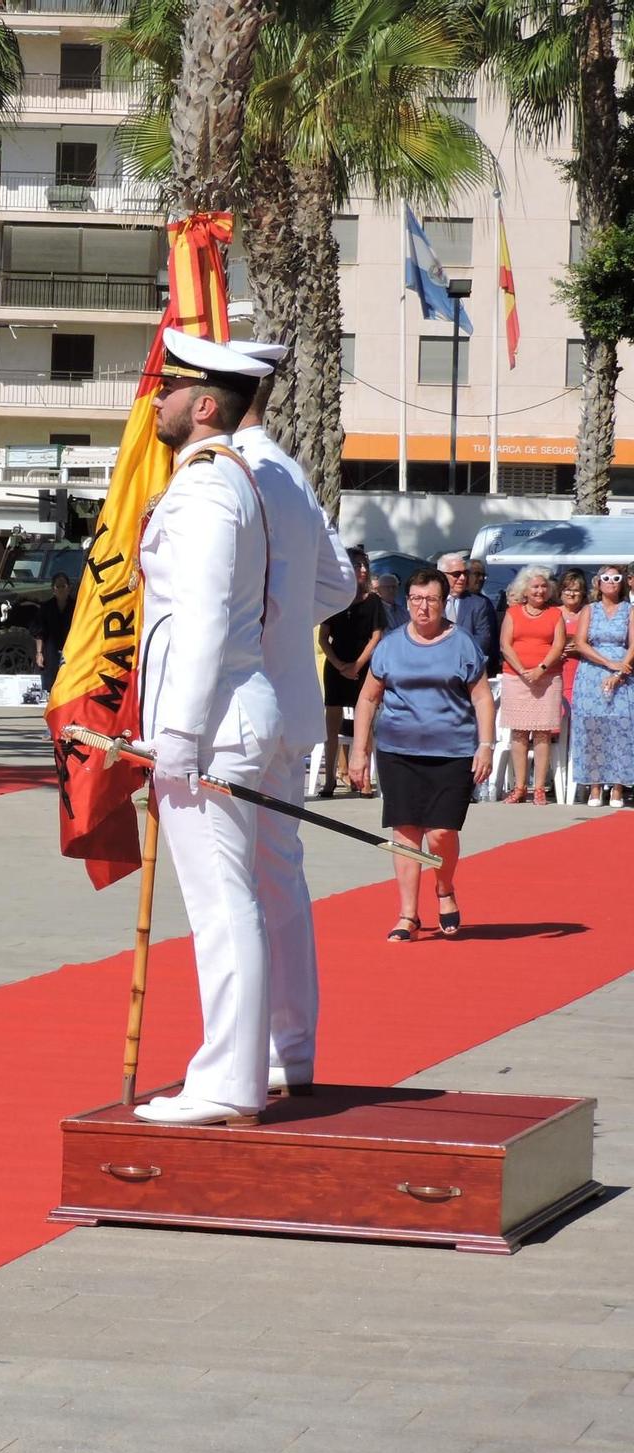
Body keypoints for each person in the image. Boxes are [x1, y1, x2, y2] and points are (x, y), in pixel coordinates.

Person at [129, 329, 284, 1129]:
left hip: (212, 724)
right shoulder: (222, 481)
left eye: (169, 388)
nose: (154, 400)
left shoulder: (205, 491)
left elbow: (199, 626)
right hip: (223, 716)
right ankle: (232, 1074)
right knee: (229, 904)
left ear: (207, 404)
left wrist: (177, 742)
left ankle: (228, 1082)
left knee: (223, 907)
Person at [229, 339, 358, 1099]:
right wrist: (283, 628)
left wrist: (259, 623)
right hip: (288, 706)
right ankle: (292, 1050)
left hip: (230, 712)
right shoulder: (289, 471)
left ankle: (236, 1062)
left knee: (228, 888)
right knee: (280, 879)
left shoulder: (223, 471)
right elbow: (339, 582)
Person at [350, 568, 497, 939]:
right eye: (415, 599)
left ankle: (445, 887)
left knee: (441, 833)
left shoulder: (462, 643)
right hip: (399, 751)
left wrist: (486, 745)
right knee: (406, 832)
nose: (422, 608)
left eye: (431, 599)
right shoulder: (391, 645)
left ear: (444, 601)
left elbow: (481, 697)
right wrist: (359, 750)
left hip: (453, 751)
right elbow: (368, 698)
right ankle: (408, 915)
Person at [317, 547, 386, 797]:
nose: (363, 570)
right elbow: (324, 637)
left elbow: (376, 636)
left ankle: (364, 778)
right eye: (357, 565)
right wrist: (339, 665)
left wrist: (356, 665)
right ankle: (330, 779)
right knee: (331, 723)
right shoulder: (335, 597)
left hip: (362, 665)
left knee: (363, 721)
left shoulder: (374, 600)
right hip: (336, 664)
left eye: (365, 565)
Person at [496, 566, 567, 803]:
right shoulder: (513, 613)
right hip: (516, 678)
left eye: (543, 586)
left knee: (542, 734)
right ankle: (519, 787)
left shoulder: (555, 614)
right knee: (518, 733)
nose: (540, 590)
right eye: (535, 586)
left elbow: (558, 646)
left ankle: (538, 788)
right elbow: (506, 645)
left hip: (547, 679)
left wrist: (541, 669)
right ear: (525, 589)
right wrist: (523, 671)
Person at [569, 561, 634, 807]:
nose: (611, 583)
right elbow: (581, 643)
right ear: (598, 582)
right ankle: (595, 787)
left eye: (617, 579)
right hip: (593, 672)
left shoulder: (629, 610)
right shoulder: (589, 610)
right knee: (593, 727)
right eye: (607, 578)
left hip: (622, 675)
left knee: (620, 728)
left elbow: (633, 645)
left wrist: (620, 670)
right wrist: (608, 662)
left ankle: (617, 787)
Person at [438, 552, 498, 678]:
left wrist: (461, 661)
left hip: (466, 670)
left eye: (465, 573)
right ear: (441, 575)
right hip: (436, 667)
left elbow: (482, 639)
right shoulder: (432, 601)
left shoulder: (478, 603)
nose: (462, 578)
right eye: (456, 574)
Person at [34, 571, 74, 692]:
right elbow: (39, 632)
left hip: (71, 650)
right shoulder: (46, 608)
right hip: (50, 651)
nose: (61, 589)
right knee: (49, 684)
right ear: (53, 589)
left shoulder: (77, 606)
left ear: (69, 588)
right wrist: (39, 653)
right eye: (58, 586)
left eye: (63, 586)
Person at [558, 568, 589, 709]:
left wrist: (582, 647)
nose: (571, 594)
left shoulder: (590, 613)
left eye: (576, 590)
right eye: (567, 590)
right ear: (561, 591)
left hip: (582, 670)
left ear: (582, 593)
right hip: (557, 670)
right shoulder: (553, 613)